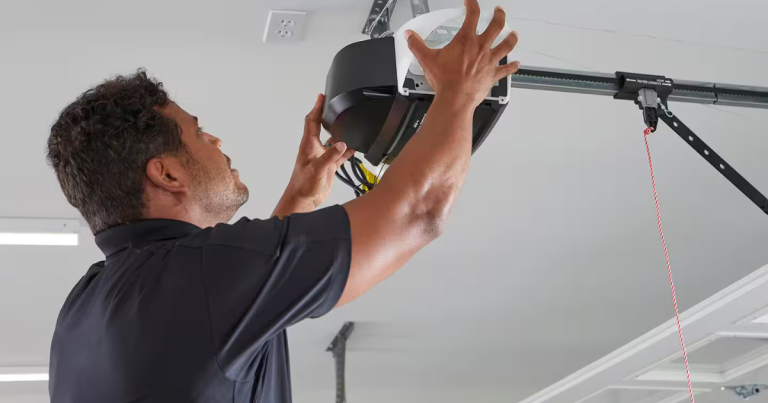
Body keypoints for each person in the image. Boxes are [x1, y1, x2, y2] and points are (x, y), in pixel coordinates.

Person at [45, 1, 519, 402]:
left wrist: (300, 196)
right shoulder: (200, 274)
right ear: (167, 174)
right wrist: (459, 93)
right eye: (196, 132)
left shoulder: (82, 310)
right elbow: (419, 213)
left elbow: (232, 312)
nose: (213, 138)